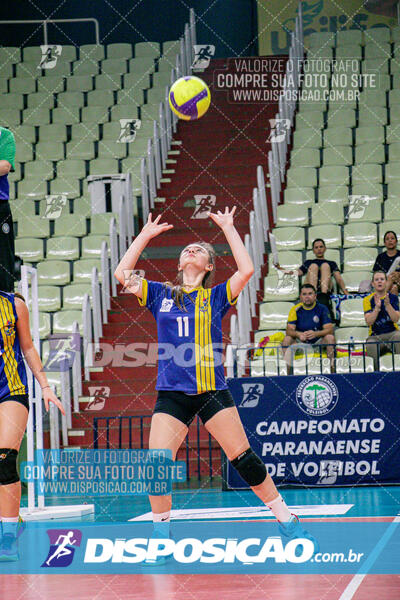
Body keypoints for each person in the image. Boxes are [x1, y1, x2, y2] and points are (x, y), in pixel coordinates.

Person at [114, 207, 318, 565]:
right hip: (173, 394)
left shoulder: (217, 296)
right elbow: (122, 274)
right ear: (180, 263)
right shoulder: (161, 293)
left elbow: (248, 270)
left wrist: (227, 228)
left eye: (199, 250)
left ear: (209, 266)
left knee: (243, 459)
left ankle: (287, 519)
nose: (191, 250)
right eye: (187, 249)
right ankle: (162, 535)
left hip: (212, 391)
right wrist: (144, 235)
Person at [0, 290, 65, 560]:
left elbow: (27, 347)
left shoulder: (13, 304)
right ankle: (11, 518)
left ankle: (7, 536)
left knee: (3, 459)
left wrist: (46, 387)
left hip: (11, 390)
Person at [282, 283, 336, 371]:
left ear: (315, 296)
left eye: (310, 294)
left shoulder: (322, 308)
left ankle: (332, 371)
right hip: (301, 343)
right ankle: (289, 373)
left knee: (330, 338)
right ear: (300, 297)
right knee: (287, 340)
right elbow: (289, 331)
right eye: (304, 294)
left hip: (318, 342)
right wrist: (298, 334)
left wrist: (316, 334)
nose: (307, 297)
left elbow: (329, 329)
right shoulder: (295, 309)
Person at [363, 271, 400, 370]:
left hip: (392, 333)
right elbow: (369, 322)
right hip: (376, 336)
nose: (379, 282)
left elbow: (396, 319)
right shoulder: (367, 300)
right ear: (373, 284)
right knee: (370, 343)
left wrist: (388, 305)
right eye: (376, 280)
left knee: (399, 336)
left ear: (386, 282)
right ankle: (376, 375)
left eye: (382, 279)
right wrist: (377, 308)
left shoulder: (393, 298)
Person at [0, 127, 16, 293]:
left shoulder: (4, 135)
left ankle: (5, 305)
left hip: (0, 205)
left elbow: (4, 166)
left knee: (3, 258)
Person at [373, 231, 400, 295]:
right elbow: (376, 274)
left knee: (395, 285)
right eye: (387, 239)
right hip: (386, 282)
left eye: (392, 238)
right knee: (393, 287)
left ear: (396, 242)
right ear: (384, 243)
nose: (390, 240)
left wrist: (398, 274)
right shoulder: (380, 257)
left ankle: (379, 297)